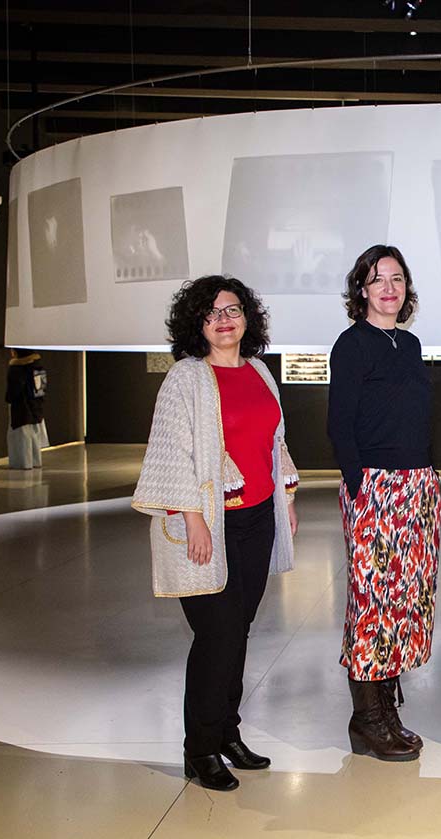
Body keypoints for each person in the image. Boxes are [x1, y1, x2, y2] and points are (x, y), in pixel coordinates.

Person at [132, 275, 300, 792]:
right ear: (197, 326)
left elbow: (275, 442)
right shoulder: (186, 378)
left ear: (248, 317)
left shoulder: (259, 373)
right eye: (211, 314)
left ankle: (227, 732)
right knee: (217, 636)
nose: (224, 320)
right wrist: (193, 516)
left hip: (255, 521)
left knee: (238, 632)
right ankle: (199, 749)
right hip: (209, 523)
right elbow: (170, 451)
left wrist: (285, 498)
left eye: (232, 309)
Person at [328, 244, 441, 762]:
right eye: (378, 280)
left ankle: (388, 710)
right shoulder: (352, 345)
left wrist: (426, 476)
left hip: (417, 485)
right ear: (362, 290)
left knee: (404, 601)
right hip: (375, 487)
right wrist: (359, 486)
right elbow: (340, 424)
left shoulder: (411, 344)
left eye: (397, 278)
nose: (389, 288)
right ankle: (366, 719)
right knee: (372, 602)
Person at [5, 348, 48, 469]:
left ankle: (22, 462)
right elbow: (41, 388)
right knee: (34, 433)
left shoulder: (16, 368)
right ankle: (35, 461)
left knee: (21, 435)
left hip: (20, 407)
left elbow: (13, 391)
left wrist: (9, 398)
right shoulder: (37, 365)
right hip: (35, 405)